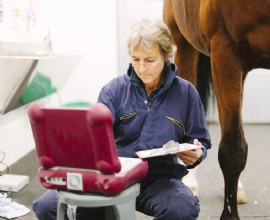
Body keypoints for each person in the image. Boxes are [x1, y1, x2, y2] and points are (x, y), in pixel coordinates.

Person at [32, 18, 211, 220]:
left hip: (158, 179)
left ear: (166, 55)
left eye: (149, 60)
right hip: (111, 177)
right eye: (136, 59)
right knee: (46, 205)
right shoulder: (113, 90)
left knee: (182, 208)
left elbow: (200, 140)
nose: (141, 68)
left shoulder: (186, 93)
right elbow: (94, 141)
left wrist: (197, 153)